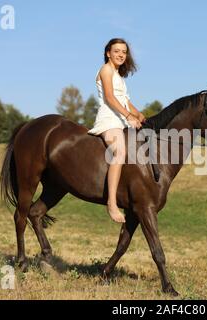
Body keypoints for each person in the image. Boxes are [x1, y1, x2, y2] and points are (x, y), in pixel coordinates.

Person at [88, 38, 146, 223]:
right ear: (108, 53)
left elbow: (124, 101)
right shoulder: (105, 70)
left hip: (121, 118)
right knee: (120, 152)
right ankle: (112, 204)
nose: (121, 54)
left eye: (124, 52)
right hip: (109, 119)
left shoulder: (118, 75)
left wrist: (138, 114)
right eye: (117, 51)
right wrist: (129, 117)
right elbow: (110, 98)